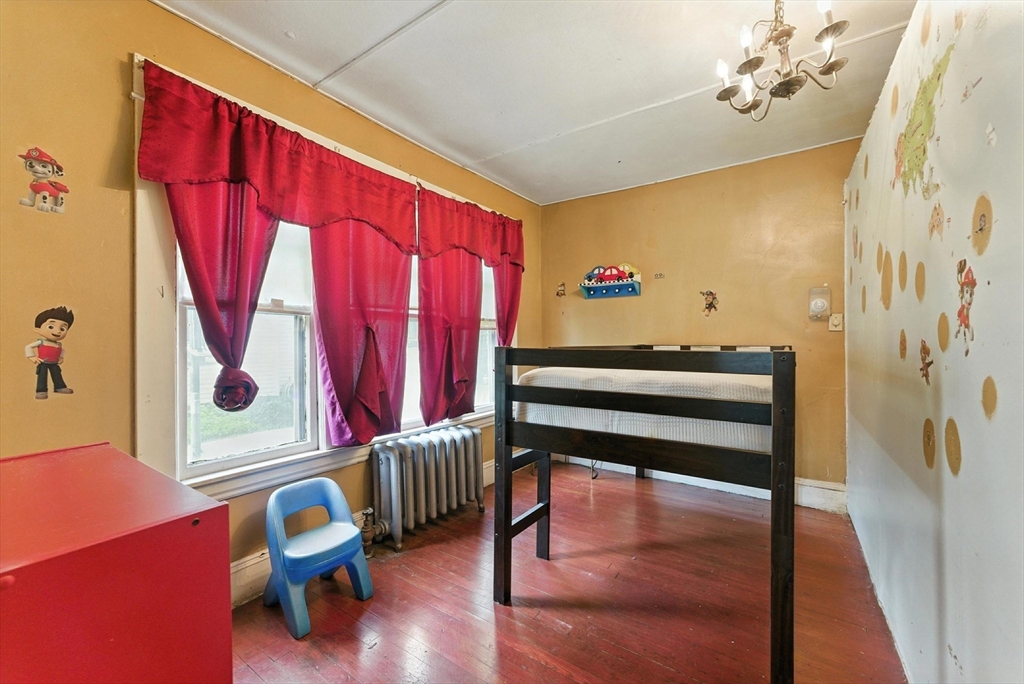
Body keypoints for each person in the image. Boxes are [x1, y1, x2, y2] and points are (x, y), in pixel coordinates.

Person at [26, 306, 75, 399]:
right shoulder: (41, 342)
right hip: (43, 362)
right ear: (37, 329)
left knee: (57, 375)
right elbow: (28, 347)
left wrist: (61, 357)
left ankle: (60, 387)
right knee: (42, 377)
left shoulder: (58, 344)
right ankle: (41, 391)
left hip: (54, 363)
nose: (57, 331)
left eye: (63, 329)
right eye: (51, 327)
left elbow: (62, 350)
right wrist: (32, 357)